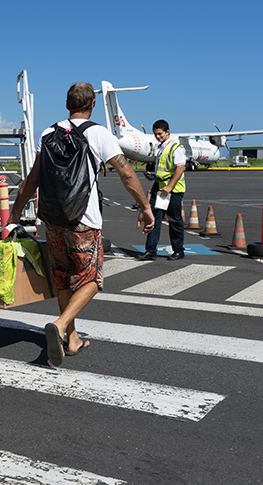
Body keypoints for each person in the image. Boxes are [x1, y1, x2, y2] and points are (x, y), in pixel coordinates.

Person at [9, 82, 154, 367]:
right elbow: (126, 173)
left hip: (52, 218)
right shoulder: (98, 133)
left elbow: (33, 178)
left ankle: (72, 339)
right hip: (83, 219)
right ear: (92, 105)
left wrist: (16, 212)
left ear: (67, 105)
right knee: (91, 279)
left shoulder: (48, 132)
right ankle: (61, 325)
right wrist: (146, 207)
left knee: (63, 277)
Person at [137, 120, 186, 261]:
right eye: (155, 134)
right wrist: (153, 176)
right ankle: (151, 250)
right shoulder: (161, 148)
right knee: (153, 218)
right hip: (159, 188)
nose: (157, 137)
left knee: (175, 220)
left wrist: (170, 186)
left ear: (167, 132)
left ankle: (178, 250)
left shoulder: (176, 148)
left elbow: (180, 168)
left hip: (173, 190)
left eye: (160, 134)